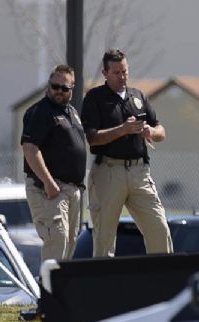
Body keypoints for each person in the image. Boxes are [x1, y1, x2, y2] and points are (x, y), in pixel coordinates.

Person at [81, 48, 171, 257]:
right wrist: (123, 129)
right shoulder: (95, 98)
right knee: (104, 238)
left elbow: (161, 131)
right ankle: (104, 286)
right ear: (105, 73)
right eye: (116, 72)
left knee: (159, 228)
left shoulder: (137, 96)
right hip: (109, 171)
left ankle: (163, 282)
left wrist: (150, 131)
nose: (122, 77)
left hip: (139, 172)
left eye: (125, 71)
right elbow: (92, 137)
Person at [20, 64, 88, 263]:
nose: (58, 91)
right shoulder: (40, 111)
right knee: (56, 242)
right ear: (48, 86)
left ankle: (60, 292)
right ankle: (48, 292)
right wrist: (49, 183)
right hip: (50, 189)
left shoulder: (72, 112)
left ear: (72, 88)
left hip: (73, 190)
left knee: (69, 245)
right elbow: (30, 149)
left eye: (64, 88)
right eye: (54, 86)